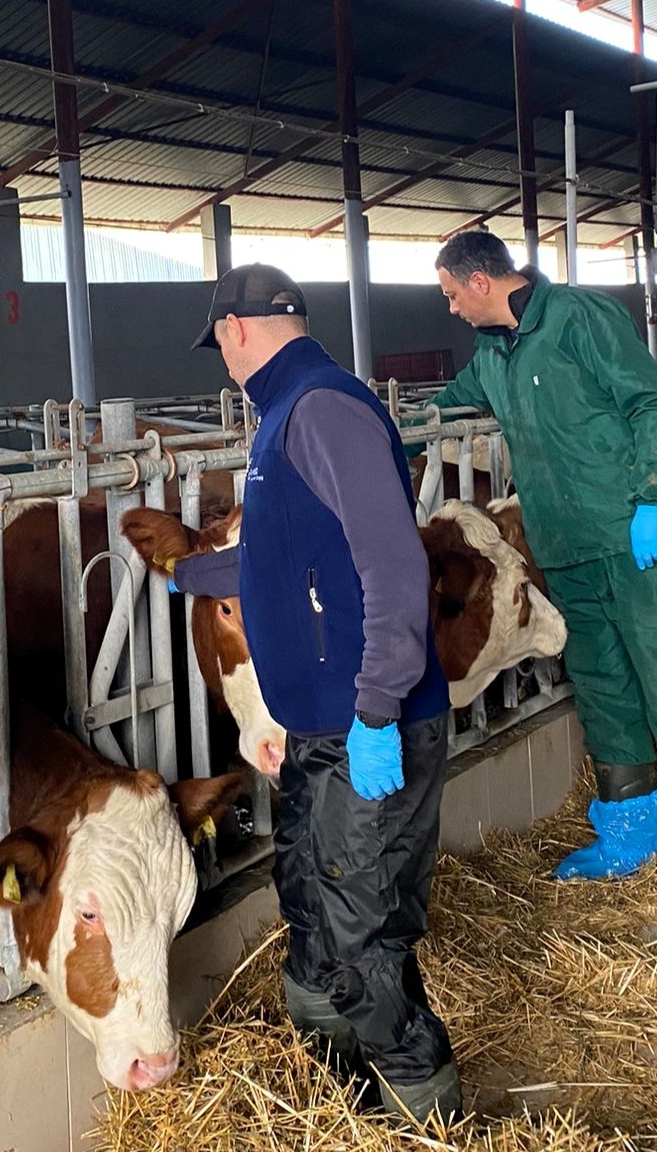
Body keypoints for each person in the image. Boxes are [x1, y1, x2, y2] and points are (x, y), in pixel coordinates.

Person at [163, 263, 463, 1122]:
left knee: (365, 930)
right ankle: (347, 1098)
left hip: (365, 720)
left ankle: (426, 1115)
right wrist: (195, 571)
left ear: (237, 331)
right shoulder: (287, 417)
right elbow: (294, 555)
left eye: (218, 341)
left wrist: (376, 709)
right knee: (315, 904)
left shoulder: (320, 410)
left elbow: (391, 563)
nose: (220, 357)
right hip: (320, 727)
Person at [426, 231, 657, 938]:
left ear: (480, 282)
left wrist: (649, 498)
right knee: (603, 681)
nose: (451, 308)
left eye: (452, 293)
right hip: (565, 545)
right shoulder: (494, 356)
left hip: (634, 538)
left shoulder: (580, 317)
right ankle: (632, 826)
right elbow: (439, 408)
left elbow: (653, 404)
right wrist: (376, 419)